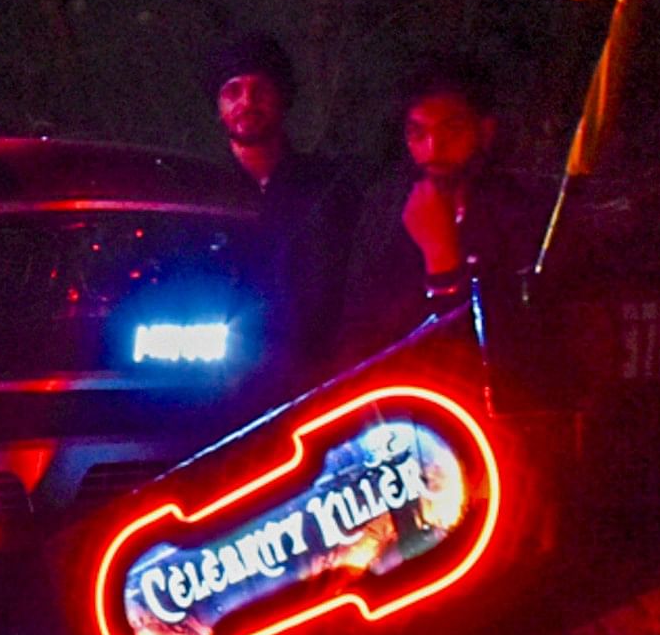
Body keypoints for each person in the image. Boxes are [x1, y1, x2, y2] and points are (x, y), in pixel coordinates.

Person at [342, 56, 548, 352]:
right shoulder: (386, 211)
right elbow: (359, 327)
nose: (433, 149)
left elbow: (515, 343)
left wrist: (443, 259)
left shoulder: (518, 215)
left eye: (451, 129)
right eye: (418, 133)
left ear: (485, 131)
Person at [207, 32, 364, 385]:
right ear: (218, 106)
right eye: (233, 91)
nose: (247, 102)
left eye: (260, 90)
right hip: (219, 382)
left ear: (283, 98)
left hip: (318, 376)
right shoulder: (199, 194)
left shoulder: (329, 189)